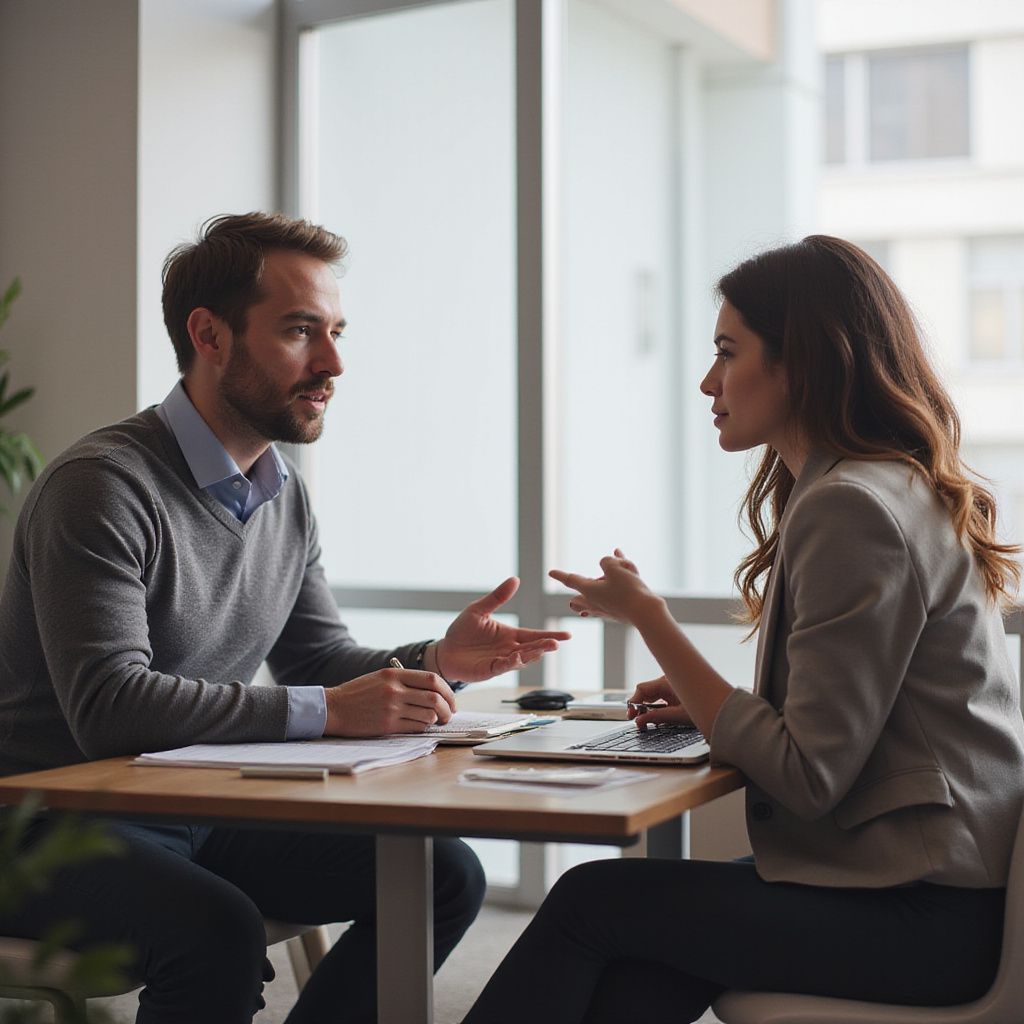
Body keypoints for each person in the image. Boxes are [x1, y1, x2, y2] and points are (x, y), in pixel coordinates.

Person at [0, 211, 570, 1024]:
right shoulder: (102, 486)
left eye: (336, 331)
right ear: (211, 335)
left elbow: (318, 656)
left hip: (189, 810)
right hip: (47, 825)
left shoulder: (282, 492)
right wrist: (334, 711)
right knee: (217, 930)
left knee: (445, 872)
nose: (333, 362)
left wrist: (438, 658)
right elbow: (110, 709)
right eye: (302, 331)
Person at [461, 234, 1024, 1024]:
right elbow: (836, 734)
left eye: (729, 351)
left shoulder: (851, 506)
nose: (707, 380)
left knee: (592, 900)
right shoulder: (876, 486)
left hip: (925, 916)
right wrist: (712, 705)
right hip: (928, 894)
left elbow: (805, 775)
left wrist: (648, 617)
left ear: (805, 363)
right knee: (637, 971)